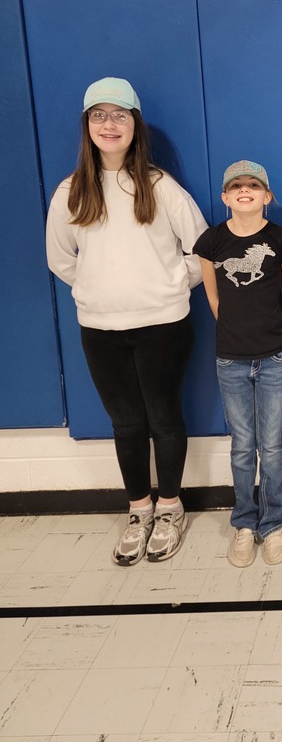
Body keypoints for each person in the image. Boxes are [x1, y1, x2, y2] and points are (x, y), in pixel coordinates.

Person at [46, 77, 207, 566]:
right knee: (127, 423)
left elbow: (202, 251)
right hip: (100, 329)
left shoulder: (160, 187)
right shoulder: (71, 192)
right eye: (99, 115)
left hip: (164, 325)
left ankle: (170, 508)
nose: (109, 124)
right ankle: (139, 510)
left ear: (135, 124)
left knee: (164, 418)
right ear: (87, 126)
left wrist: (169, 285)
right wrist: (98, 291)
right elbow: (61, 259)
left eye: (119, 114)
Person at [194, 160, 282, 568]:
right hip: (230, 359)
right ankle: (244, 522)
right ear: (225, 196)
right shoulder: (211, 242)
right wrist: (237, 332)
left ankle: (273, 524)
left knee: (270, 446)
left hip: (273, 358)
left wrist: (269, 332)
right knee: (242, 446)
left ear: (266, 196)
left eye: (253, 185)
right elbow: (213, 298)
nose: (244, 190)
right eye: (236, 185)